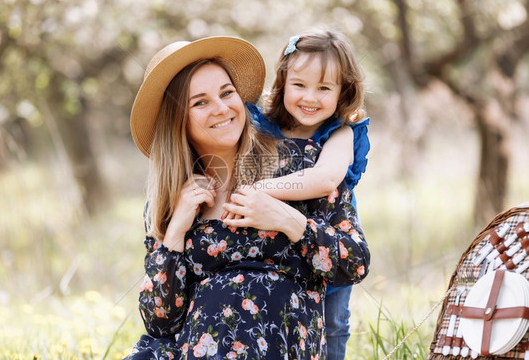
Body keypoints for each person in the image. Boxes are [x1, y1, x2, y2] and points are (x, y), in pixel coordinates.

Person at [123, 36, 370, 359]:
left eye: (227, 93)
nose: (222, 108)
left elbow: (354, 264)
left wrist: (290, 221)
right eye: (201, 102)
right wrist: (175, 232)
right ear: (177, 120)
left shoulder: (303, 165)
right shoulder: (174, 199)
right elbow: (159, 321)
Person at [223, 28, 370, 360]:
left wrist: (261, 189)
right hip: (278, 261)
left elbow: (324, 178)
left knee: (332, 327)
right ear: (283, 82)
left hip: (328, 248)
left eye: (324, 88)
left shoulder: (341, 133)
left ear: (342, 91)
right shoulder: (261, 127)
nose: (310, 97)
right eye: (299, 85)